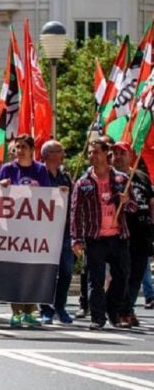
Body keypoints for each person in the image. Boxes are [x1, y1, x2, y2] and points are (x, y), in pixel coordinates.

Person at [71, 136, 135, 330]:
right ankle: (98, 318)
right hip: (95, 237)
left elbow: (133, 207)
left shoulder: (121, 179)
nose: (92, 156)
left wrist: (126, 202)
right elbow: (75, 212)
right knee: (95, 280)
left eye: (96, 152)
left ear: (106, 155)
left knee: (122, 276)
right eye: (90, 152)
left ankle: (112, 311)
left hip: (118, 236)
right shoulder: (83, 183)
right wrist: (76, 238)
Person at [0, 134, 51, 328]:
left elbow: (49, 197)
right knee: (16, 271)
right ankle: (16, 312)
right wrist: (1, 187)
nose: (20, 150)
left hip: (34, 230)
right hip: (13, 229)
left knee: (31, 270)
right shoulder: (7, 169)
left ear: (31, 150)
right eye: (17, 147)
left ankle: (30, 311)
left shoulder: (40, 170)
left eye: (23, 147)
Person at [113, 142, 154, 328]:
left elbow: (151, 202)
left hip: (143, 232)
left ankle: (128, 309)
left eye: (122, 153)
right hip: (123, 232)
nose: (118, 157)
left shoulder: (141, 177)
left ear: (131, 155)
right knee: (124, 274)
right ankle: (122, 311)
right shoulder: (112, 178)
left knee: (137, 274)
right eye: (115, 154)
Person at [37, 140, 75, 325]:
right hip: (43, 232)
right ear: (49, 154)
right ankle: (45, 309)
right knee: (45, 272)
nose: (63, 154)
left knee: (66, 271)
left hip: (64, 232)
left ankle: (60, 306)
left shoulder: (65, 177)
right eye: (60, 151)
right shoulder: (38, 175)